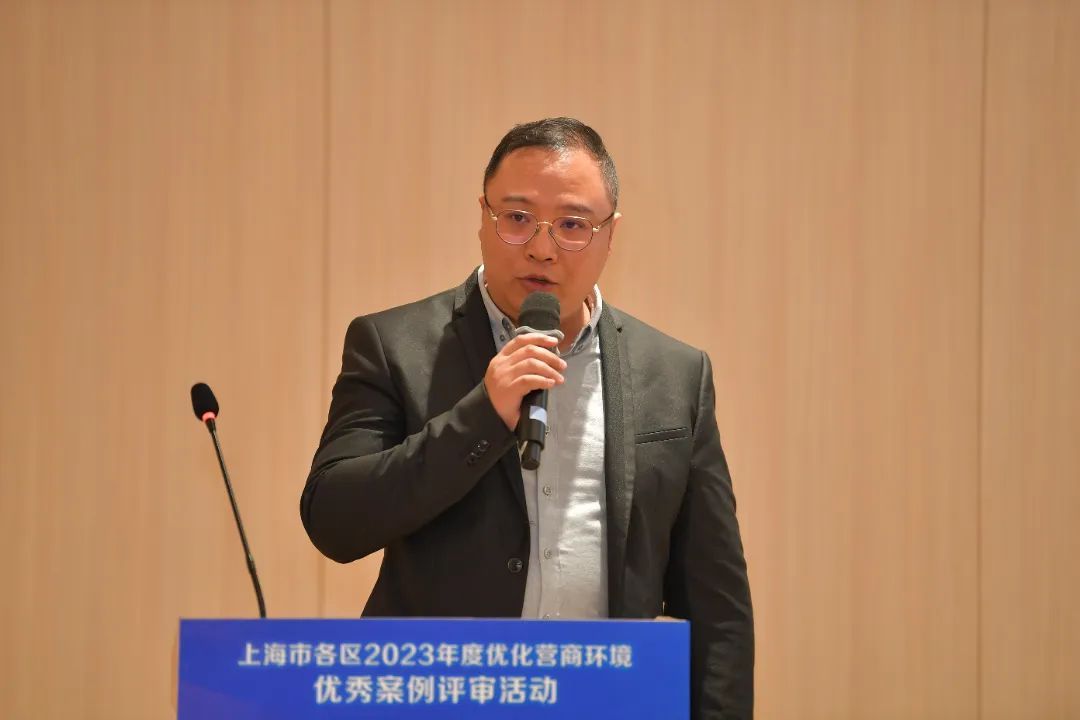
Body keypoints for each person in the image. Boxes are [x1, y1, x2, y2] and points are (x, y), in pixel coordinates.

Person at [301, 117, 754, 718]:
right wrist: (481, 417)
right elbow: (334, 521)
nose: (542, 247)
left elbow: (717, 607)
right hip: (445, 701)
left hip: (606, 702)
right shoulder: (394, 345)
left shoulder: (675, 375)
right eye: (516, 218)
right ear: (482, 218)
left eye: (572, 225)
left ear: (610, 236)